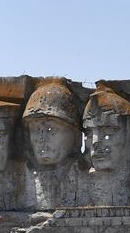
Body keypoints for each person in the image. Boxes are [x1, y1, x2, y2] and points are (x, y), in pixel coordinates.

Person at [22, 77, 85, 209]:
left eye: (51, 129)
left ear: (76, 136)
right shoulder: (19, 181)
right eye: (35, 129)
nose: (42, 138)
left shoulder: (88, 181)